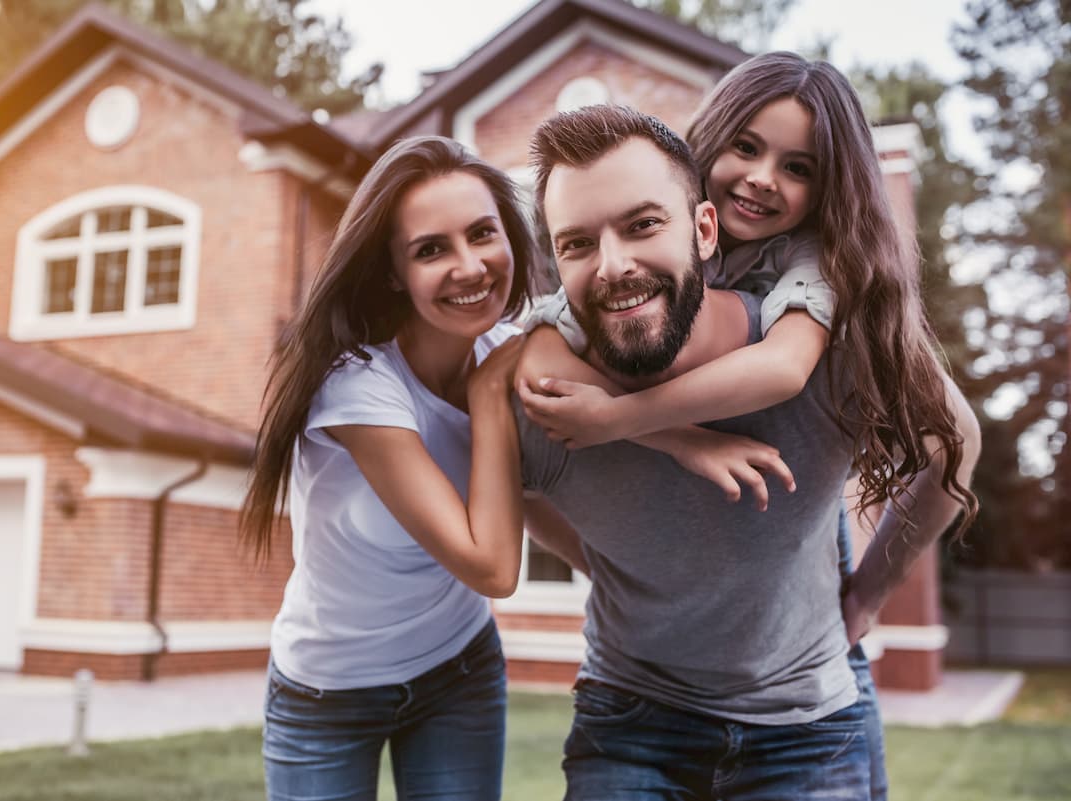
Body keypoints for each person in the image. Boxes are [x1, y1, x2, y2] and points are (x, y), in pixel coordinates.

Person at [519, 54, 980, 799]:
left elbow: (810, 379)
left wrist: (867, 594)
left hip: (803, 689)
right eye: (746, 147)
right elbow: (529, 379)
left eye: (797, 166)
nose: (763, 177)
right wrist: (631, 525)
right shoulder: (623, 266)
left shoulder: (822, 274)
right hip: (636, 697)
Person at [239, 135, 546, 801]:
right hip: (327, 691)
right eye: (431, 249)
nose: (470, 266)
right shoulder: (356, 385)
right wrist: (491, 395)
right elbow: (492, 565)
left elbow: (548, 490)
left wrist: (691, 448)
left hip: (457, 670)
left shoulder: (509, 349)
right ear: (392, 272)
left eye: (482, 233)